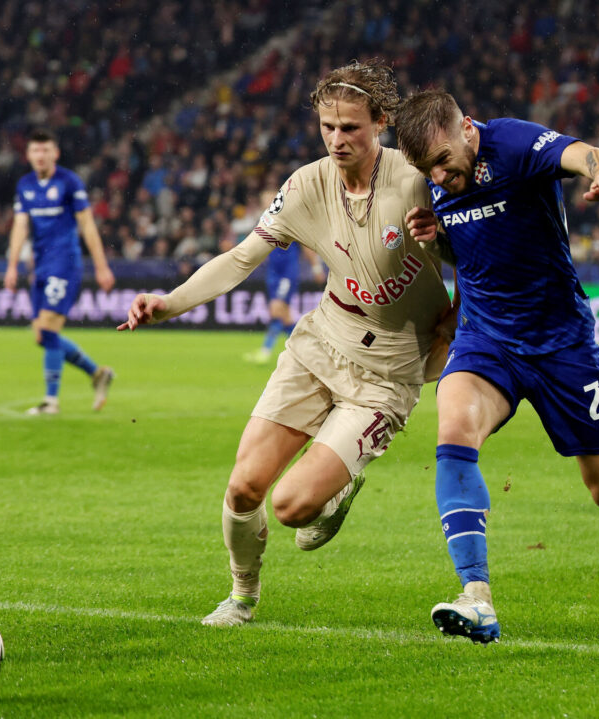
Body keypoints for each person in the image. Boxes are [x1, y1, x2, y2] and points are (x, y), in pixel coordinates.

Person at [118, 61, 454, 627]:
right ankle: (241, 597)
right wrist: (168, 303)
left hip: (388, 371)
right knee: (244, 486)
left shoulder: (415, 180)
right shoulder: (304, 186)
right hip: (321, 343)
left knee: (293, 507)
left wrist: (458, 312)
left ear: (381, 122)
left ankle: (336, 487)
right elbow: (240, 259)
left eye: (350, 127)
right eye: (327, 126)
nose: (336, 139)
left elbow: (478, 248)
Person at [394, 89, 599, 644]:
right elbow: (477, 247)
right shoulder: (435, 184)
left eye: (441, 162)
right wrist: (442, 242)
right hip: (487, 339)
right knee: (454, 424)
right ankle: (475, 595)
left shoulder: (512, 143)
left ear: (465, 129)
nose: (437, 176)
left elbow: (583, 155)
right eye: (425, 168)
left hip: (562, 344)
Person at [4, 128, 116, 415]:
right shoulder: (25, 185)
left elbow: (87, 224)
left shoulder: (69, 182)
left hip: (64, 264)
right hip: (39, 266)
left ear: (56, 153)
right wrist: (13, 264)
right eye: (35, 150)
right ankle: (97, 372)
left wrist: (101, 266)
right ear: (28, 154)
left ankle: (50, 401)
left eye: (45, 150)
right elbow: (20, 225)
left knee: (49, 328)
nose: (40, 155)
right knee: (42, 336)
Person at [246, 190, 327, 364]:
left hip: (287, 272)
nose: (268, 203)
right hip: (273, 272)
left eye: (271, 200)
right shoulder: (264, 221)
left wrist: (316, 267)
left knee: (277, 310)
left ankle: (267, 351)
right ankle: (305, 353)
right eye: (265, 201)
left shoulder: (290, 219)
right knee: (284, 315)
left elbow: (307, 244)